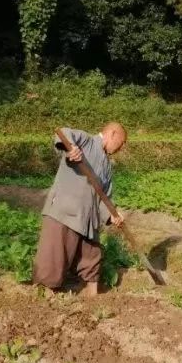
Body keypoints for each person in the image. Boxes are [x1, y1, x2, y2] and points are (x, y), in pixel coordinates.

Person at [32, 122, 127, 297]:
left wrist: (112, 215)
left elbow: (105, 197)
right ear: (112, 134)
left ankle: (89, 288)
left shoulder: (106, 165)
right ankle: (45, 290)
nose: (120, 148)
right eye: (120, 143)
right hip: (65, 209)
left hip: (87, 215)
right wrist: (70, 150)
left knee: (91, 252)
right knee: (55, 250)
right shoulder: (87, 140)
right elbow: (64, 132)